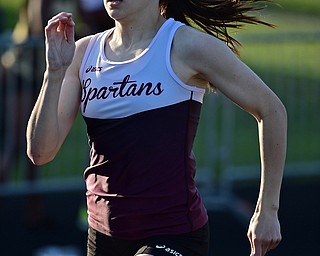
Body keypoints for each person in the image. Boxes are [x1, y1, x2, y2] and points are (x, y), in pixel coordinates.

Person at [26, 0, 287, 255]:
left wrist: (267, 210)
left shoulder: (185, 45)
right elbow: (40, 153)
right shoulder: (82, 54)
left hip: (173, 232)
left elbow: (272, 110)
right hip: (104, 234)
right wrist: (54, 72)